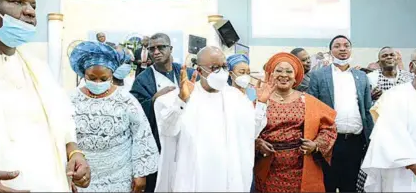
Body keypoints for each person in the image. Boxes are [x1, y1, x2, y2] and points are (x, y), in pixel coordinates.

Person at [0, 0, 90, 192]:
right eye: (17, 2)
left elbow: (63, 127)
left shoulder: (38, 69)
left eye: (33, 5)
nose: (30, 12)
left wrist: (75, 154)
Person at [153, 46, 274, 192]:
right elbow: (168, 131)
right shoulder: (180, 97)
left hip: (228, 178)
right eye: (215, 68)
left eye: (224, 67)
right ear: (199, 70)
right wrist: (181, 101)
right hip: (195, 178)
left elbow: (250, 133)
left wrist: (261, 104)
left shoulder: (236, 97)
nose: (221, 72)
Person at [68, 41, 158, 192]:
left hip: (119, 175)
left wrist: (140, 173)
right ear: (84, 75)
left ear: (111, 76)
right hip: (82, 174)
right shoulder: (71, 100)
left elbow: (141, 134)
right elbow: (64, 136)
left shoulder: (126, 99)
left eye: (103, 79)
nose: (98, 83)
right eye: (92, 78)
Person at [361, 46, 416, 192]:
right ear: (412, 67)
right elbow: (387, 134)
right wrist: (412, 163)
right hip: (404, 171)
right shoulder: (394, 96)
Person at [254, 52, 337, 192]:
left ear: (295, 76)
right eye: (278, 70)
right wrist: (257, 143)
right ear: (271, 75)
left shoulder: (307, 100)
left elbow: (329, 127)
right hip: (268, 167)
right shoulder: (261, 100)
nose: (284, 75)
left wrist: (316, 144)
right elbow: (245, 130)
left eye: (289, 71)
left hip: (301, 167)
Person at [130, 33, 197, 193]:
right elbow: (135, 111)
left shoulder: (184, 72)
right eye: (151, 48)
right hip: (159, 142)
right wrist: (154, 99)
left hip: (187, 138)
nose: (156, 52)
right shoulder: (143, 79)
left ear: (170, 48)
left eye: (161, 47)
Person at [307, 35, 374, 192]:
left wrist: (370, 140)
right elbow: (312, 109)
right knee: (327, 184)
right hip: (329, 142)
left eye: (346, 45)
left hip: (355, 142)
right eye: (337, 46)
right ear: (331, 51)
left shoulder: (362, 76)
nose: (342, 48)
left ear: (350, 50)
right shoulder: (319, 75)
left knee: (350, 186)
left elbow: (367, 109)